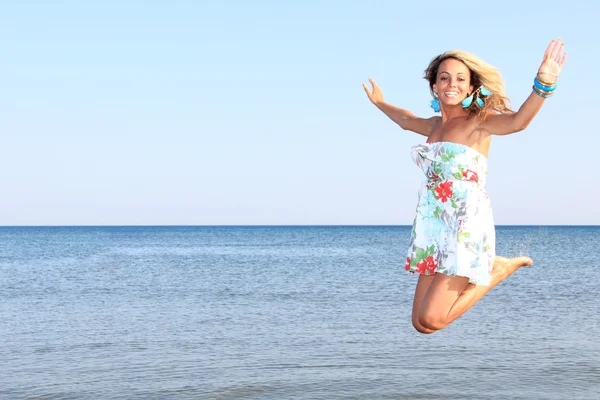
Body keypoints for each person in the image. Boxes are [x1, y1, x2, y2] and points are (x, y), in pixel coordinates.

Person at [363, 39, 567, 334]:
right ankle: (492, 270)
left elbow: (519, 121)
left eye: (460, 79)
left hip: (464, 224)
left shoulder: (479, 122)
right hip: (433, 223)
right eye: (444, 77)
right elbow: (406, 120)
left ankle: (498, 270)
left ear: (471, 88)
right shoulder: (434, 126)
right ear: (434, 85)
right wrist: (380, 103)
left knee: (433, 318)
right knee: (421, 324)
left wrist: (543, 85)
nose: (451, 84)